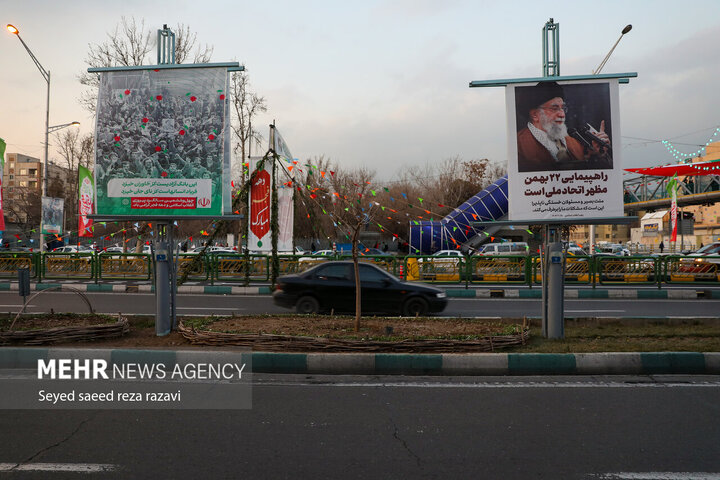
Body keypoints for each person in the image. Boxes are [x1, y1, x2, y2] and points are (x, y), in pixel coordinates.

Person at [516, 81, 611, 172]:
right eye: (554, 108)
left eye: (563, 108)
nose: (562, 114)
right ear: (535, 115)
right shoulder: (519, 145)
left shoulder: (573, 142)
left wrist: (599, 154)